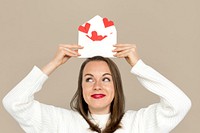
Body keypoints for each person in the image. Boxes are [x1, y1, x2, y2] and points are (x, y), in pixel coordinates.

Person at [3, 44, 191, 133]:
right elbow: (13, 102)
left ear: (116, 86)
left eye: (106, 79)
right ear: (81, 87)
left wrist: (138, 65)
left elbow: (180, 104)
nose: (97, 86)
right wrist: (53, 64)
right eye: (89, 79)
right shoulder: (59, 122)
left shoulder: (139, 124)